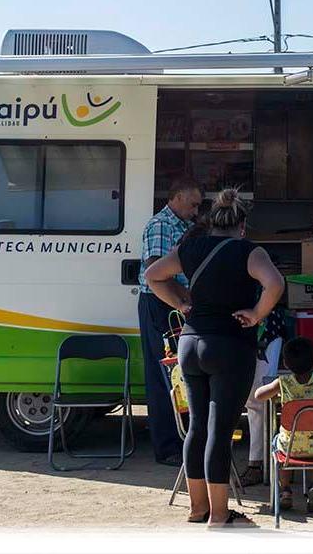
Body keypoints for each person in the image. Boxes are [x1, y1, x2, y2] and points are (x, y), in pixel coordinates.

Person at [146, 188, 284, 528]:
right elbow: (275, 283)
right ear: (241, 226)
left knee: (196, 429)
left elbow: (152, 275)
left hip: (190, 344)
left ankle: (198, 509)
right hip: (229, 346)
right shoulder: (249, 252)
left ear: (212, 224)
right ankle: (220, 515)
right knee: (220, 431)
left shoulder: (190, 247)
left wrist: (180, 304)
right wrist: (255, 313)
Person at [138, 177, 203, 465]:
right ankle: (167, 447)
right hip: (160, 302)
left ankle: (183, 439)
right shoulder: (161, 225)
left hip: (177, 300)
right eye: (193, 204)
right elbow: (156, 274)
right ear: (176, 197)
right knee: (164, 374)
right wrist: (183, 300)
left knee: (181, 373)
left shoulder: (185, 226)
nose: (196, 210)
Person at [255, 337, 313, 513]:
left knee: (277, 444)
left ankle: (286, 491)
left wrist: (276, 391)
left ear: (286, 364)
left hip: (289, 448)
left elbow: (259, 396)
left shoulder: (284, 383)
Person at [239, 309, 286, 487]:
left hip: (262, 329)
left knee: (257, 400)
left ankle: (257, 464)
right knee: (256, 401)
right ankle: (259, 463)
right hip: (250, 326)